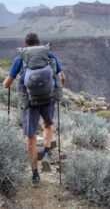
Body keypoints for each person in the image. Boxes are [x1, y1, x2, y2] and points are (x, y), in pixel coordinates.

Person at [3, 33, 66, 187]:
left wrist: (10, 82)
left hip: (30, 103)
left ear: (25, 44)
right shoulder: (49, 55)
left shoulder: (20, 59)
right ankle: (45, 153)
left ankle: (35, 174)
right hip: (48, 99)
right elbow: (63, 77)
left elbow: (6, 84)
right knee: (48, 125)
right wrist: (58, 86)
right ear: (39, 43)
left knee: (31, 137)